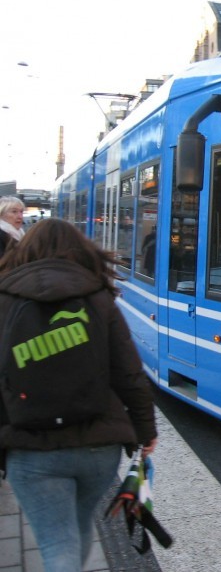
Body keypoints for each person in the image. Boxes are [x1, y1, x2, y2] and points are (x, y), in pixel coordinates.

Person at [0, 218, 158, 572]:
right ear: (81, 251)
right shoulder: (98, 297)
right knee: (79, 525)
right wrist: (146, 432)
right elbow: (129, 374)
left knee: (58, 544)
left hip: (30, 448)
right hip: (98, 447)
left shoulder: (4, 298)